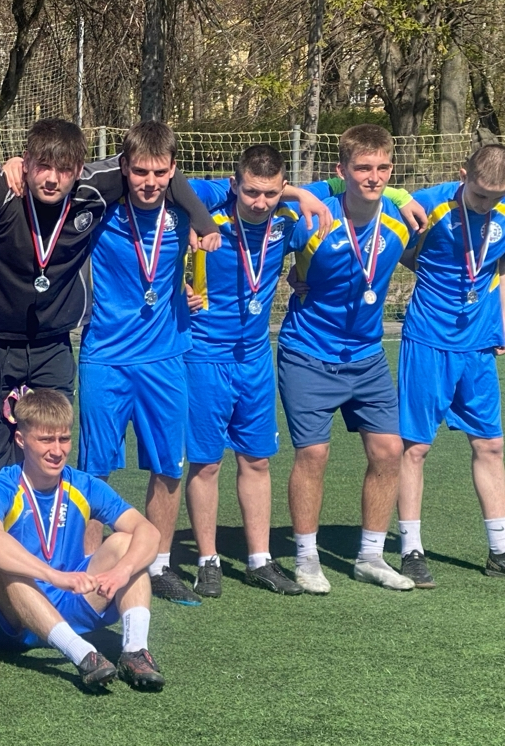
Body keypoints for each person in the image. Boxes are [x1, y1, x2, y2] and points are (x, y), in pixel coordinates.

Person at [0, 118, 221, 483]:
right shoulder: (5, 187)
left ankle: (45, 524)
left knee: (49, 459)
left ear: (79, 169)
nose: (53, 178)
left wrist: (203, 221)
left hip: (52, 348)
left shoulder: (93, 188)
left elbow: (158, 167)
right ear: (26, 161)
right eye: (43, 166)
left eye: (65, 169)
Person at [77, 121, 211, 606]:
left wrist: (313, 195)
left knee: (167, 466)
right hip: (105, 357)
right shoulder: (100, 208)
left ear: (174, 171)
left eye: (159, 173)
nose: (149, 182)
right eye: (139, 172)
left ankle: (157, 564)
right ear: (124, 168)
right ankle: (87, 568)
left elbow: (255, 189)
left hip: (165, 358)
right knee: (94, 471)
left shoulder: (188, 208)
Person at [278, 124, 416, 593]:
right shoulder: (314, 218)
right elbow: (259, 208)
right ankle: (306, 557)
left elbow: (470, 196)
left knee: (389, 451)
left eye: (382, 168)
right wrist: (288, 276)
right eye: (362, 168)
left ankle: (370, 557)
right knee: (313, 454)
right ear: (342, 171)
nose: (373, 177)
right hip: (308, 352)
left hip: (367, 357)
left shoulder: (401, 219)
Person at [182, 146, 314, 598]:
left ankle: (260, 559)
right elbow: (172, 187)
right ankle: (208, 560)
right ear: (234, 184)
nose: (260, 202)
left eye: (271, 193)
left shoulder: (288, 221)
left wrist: (301, 198)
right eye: (252, 192)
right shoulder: (207, 213)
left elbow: (350, 193)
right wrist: (179, 284)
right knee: (206, 463)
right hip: (204, 355)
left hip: (256, 357)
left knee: (257, 459)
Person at [0, 388, 165, 690]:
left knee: (127, 544)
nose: (57, 450)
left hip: (70, 599)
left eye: (64, 439)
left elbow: (148, 531)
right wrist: (55, 577)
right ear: (21, 440)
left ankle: (135, 652)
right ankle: (83, 655)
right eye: (46, 440)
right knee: (3, 565)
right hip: (10, 620)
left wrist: (122, 571)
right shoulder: (0, 486)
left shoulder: (83, 484)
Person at [396, 144, 505, 586]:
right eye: (479, 195)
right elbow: (391, 246)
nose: (486, 204)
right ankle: (411, 549)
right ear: (463, 175)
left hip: (478, 345)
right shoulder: (429, 203)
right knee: (415, 447)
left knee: (491, 446)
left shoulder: (502, 211)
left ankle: (499, 549)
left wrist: (501, 323)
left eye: (495, 197)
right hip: (428, 341)